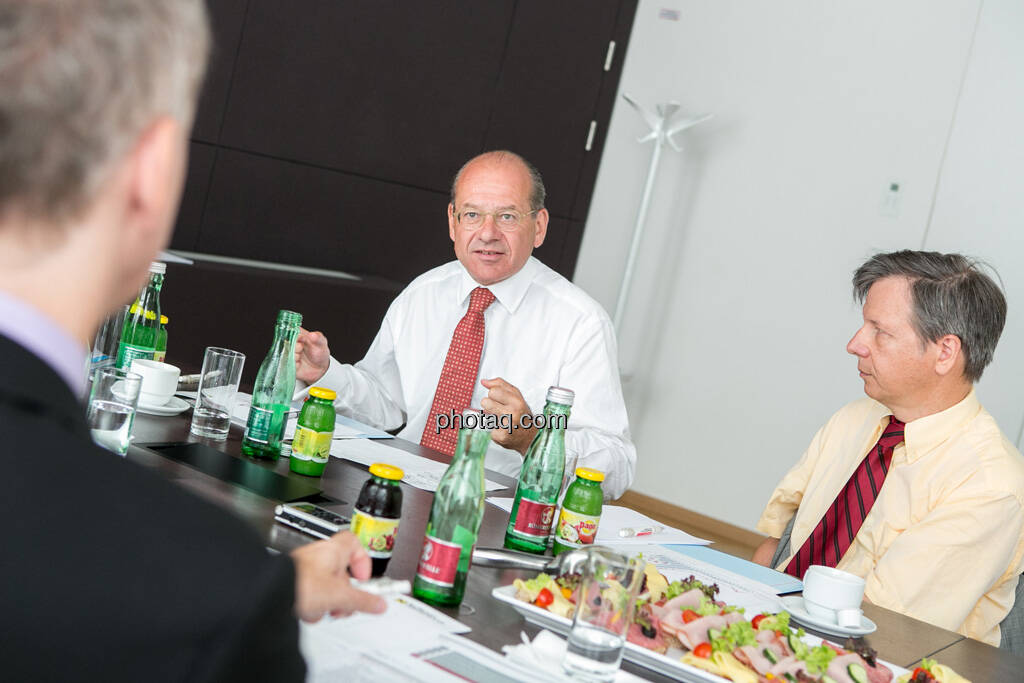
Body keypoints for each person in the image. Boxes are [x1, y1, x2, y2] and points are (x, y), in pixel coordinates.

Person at [0, 2, 383, 680]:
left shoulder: (214, 588)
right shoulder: (211, 597)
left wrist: (259, 588)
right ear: (151, 171)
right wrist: (238, 596)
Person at [294, 151, 636, 498]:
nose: (487, 233)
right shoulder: (423, 293)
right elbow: (386, 403)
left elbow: (617, 462)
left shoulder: (581, 322)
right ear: (452, 222)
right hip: (397, 488)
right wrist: (325, 375)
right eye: (472, 214)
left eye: (507, 216)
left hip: (494, 511)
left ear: (539, 226)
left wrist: (533, 439)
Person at [752, 250, 1024, 646]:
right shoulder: (855, 419)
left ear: (945, 352)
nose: (854, 344)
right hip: (779, 636)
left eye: (880, 331)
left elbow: (886, 629)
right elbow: (776, 546)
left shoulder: (990, 485)